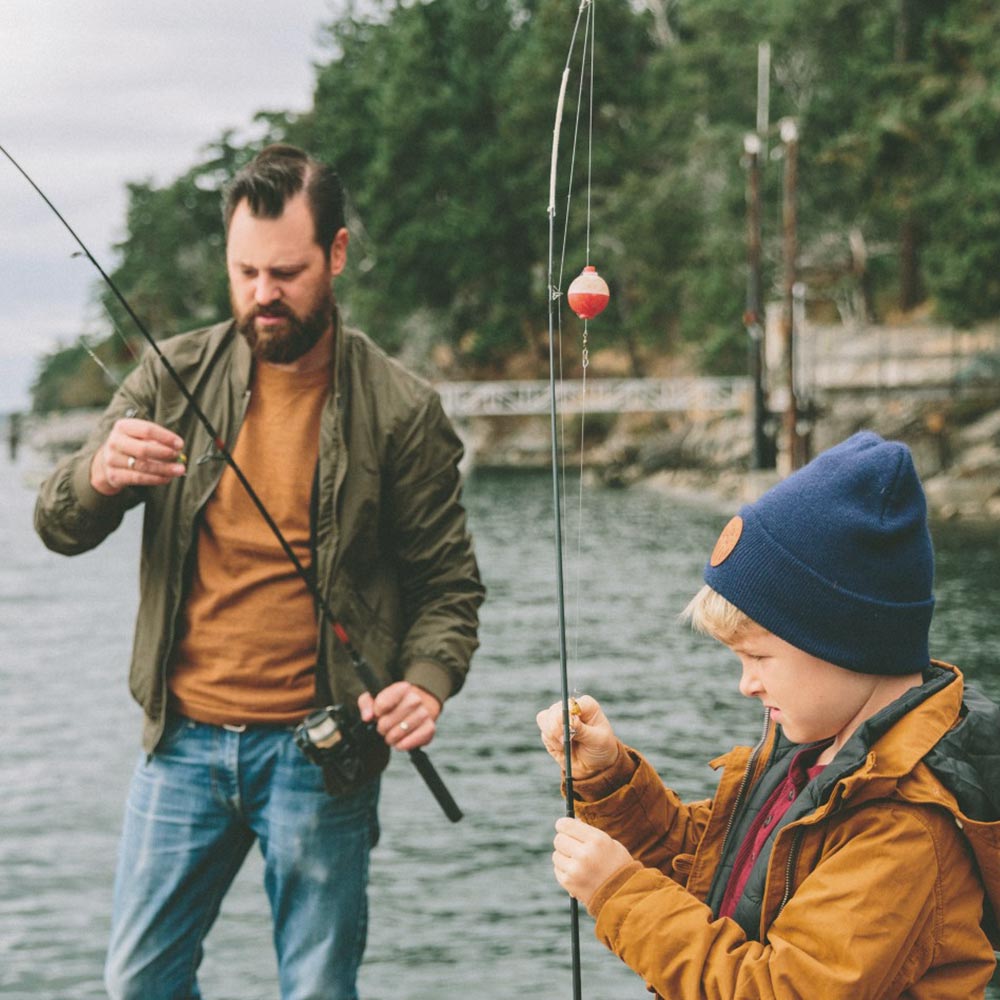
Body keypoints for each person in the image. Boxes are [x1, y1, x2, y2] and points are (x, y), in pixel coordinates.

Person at [35, 144, 484, 1000]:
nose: (262, 295)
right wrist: (96, 477)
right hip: (181, 743)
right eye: (244, 271)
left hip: (322, 754)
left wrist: (427, 681)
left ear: (337, 255)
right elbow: (56, 525)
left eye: (285, 272)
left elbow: (448, 587)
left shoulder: (402, 410)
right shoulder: (169, 377)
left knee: (317, 989)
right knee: (139, 982)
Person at [538, 431, 1000, 998]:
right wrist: (609, 780)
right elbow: (711, 876)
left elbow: (780, 988)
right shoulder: (809, 756)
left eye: (758, 657)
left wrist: (618, 892)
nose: (745, 684)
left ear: (844, 642)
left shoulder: (904, 826)